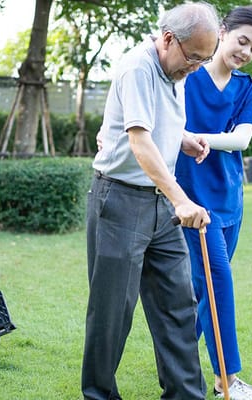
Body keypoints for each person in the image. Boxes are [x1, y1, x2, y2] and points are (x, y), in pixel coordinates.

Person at [82, 2, 220, 399]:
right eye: (193, 58)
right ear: (167, 38)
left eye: (203, 60)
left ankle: (185, 395)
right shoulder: (138, 66)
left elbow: (157, 123)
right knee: (112, 313)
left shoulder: (176, 67)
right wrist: (181, 200)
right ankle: (99, 395)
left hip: (161, 205)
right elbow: (139, 141)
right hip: (120, 202)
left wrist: (183, 137)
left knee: (178, 304)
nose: (195, 68)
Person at [174, 5, 252, 400]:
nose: (247, 52)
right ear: (222, 31)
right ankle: (226, 382)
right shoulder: (187, 76)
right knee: (218, 281)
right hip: (194, 202)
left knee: (202, 293)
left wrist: (196, 139)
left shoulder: (248, 88)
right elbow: (165, 124)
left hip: (231, 201)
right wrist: (188, 137)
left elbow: (242, 139)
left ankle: (176, 367)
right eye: (242, 41)